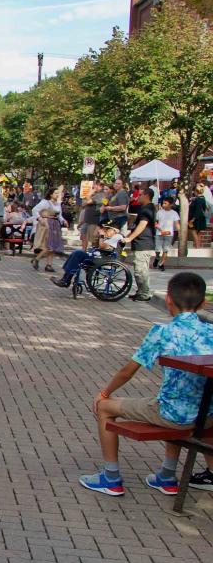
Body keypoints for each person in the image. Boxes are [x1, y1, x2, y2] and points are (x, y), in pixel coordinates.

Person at [82, 272, 213, 497]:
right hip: (207, 414)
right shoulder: (211, 331)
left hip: (172, 414)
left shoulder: (162, 332)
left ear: (168, 299)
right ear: (204, 303)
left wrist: (105, 392)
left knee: (105, 407)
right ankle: (166, 475)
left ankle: (111, 478)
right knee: (180, 401)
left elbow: (127, 372)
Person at [52, 222, 124, 288]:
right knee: (76, 253)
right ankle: (66, 278)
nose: (106, 231)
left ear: (115, 231)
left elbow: (103, 246)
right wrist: (99, 237)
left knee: (78, 253)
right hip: (98, 257)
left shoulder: (117, 236)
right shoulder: (110, 237)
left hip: (102, 259)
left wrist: (102, 236)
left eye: (108, 229)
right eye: (106, 229)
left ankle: (66, 280)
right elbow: (99, 246)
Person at [124, 190, 156, 301]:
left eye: (141, 195)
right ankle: (141, 291)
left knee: (141, 271)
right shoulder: (145, 209)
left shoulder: (147, 209)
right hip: (140, 244)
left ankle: (144, 294)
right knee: (139, 270)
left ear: (147, 196)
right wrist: (128, 236)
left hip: (144, 244)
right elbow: (135, 226)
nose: (138, 197)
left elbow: (142, 225)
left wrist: (130, 238)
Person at [154, 196, 180, 270]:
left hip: (169, 234)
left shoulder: (174, 213)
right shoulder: (159, 212)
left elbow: (177, 224)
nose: (163, 205)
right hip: (159, 233)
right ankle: (157, 257)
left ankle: (161, 264)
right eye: (163, 203)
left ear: (171, 204)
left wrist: (179, 231)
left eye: (165, 203)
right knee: (157, 249)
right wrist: (159, 228)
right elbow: (156, 222)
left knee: (166, 250)